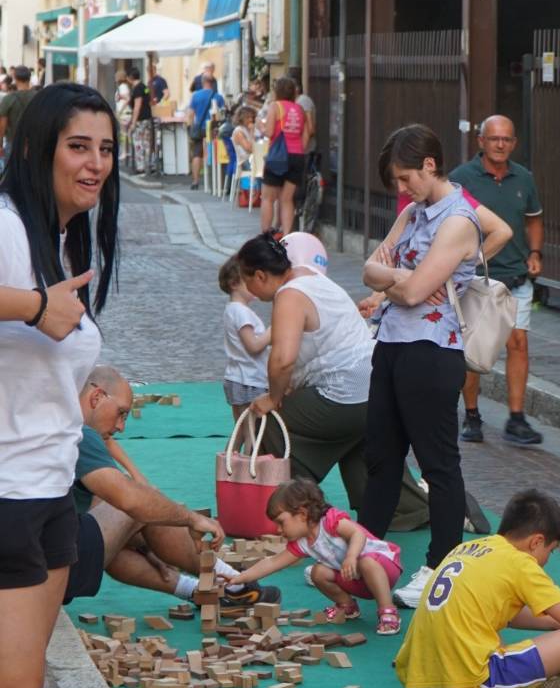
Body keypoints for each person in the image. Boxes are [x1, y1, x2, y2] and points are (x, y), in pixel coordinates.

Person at [0, 81, 119, 688]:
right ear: (41, 147)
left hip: (47, 491)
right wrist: (34, 306)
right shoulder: (8, 223)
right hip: (3, 490)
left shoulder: (70, 239)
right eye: (80, 146)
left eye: (107, 149)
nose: (96, 164)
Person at [360, 124, 482, 609]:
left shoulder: (459, 220)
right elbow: (370, 269)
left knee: (438, 463)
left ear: (430, 166)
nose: (401, 188)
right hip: (390, 341)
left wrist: (396, 278)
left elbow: (410, 292)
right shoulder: (413, 212)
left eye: (406, 176)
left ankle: (440, 566)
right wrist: (400, 276)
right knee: (382, 458)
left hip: (433, 350)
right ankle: (364, 553)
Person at [238, 233, 429, 535]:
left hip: (346, 393)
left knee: (273, 422)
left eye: (247, 280)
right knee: (356, 439)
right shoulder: (312, 276)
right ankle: (406, 509)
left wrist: (272, 398)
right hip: (375, 389)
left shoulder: (289, 295)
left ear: (260, 275)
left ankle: (300, 512)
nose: (247, 288)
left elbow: (283, 360)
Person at [395, 489, 560, 688]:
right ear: (536, 542)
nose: (547, 560)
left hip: (418, 683)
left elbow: (507, 615)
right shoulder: (521, 563)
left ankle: (521, 680)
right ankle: (527, 687)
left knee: (547, 632)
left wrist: (555, 623)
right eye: (550, 551)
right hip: (470, 686)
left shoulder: (466, 548)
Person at [66, 366, 231, 609]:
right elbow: (131, 500)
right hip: (50, 572)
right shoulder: (78, 432)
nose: (122, 426)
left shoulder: (54, 418)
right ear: (97, 397)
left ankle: (194, 589)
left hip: (31, 559)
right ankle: (234, 581)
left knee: (133, 505)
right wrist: (189, 518)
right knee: (138, 504)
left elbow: (109, 451)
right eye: (121, 413)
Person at [452, 114, 544, 447]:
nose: (501, 145)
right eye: (494, 139)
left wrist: (535, 252)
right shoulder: (461, 180)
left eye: (507, 139)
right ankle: (472, 414)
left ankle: (516, 418)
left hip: (516, 278)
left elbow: (534, 219)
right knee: (476, 349)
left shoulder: (524, 179)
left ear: (514, 143)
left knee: (518, 343)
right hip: (476, 281)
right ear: (481, 141)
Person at [226, 478, 402, 635]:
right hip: (357, 579)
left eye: (281, 522)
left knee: (366, 562)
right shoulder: (302, 542)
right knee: (317, 572)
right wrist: (239, 578)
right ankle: (347, 607)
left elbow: (358, 534)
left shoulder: (331, 521)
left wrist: (351, 556)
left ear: (302, 514)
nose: (278, 530)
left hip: (384, 568)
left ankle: (387, 610)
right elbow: (272, 562)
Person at [218, 255, 270, 420]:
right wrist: (272, 332)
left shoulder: (232, 309)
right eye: (248, 280)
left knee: (241, 430)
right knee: (251, 431)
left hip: (238, 377)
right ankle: (250, 448)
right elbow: (253, 346)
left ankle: (230, 448)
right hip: (250, 380)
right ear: (234, 284)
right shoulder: (241, 312)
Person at [260, 76, 311, 235]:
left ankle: (266, 235)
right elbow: (307, 133)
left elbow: (269, 132)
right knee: (287, 199)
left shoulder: (275, 107)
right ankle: (287, 236)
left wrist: (259, 126)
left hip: (278, 157)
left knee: (268, 198)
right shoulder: (300, 109)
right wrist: (299, 149)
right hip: (297, 156)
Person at [186, 73, 225, 191]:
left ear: (202, 82)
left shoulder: (195, 96)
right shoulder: (218, 97)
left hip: (199, 129)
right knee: (213, 153)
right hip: (213, 129)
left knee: (197, 154)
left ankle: (195, 181)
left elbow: (190, 114)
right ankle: (214, 180)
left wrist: (190, 127)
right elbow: (222, 115)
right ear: (212, 83)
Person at [0, 66, 34, 157]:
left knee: (11, 169)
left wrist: (0, 145)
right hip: (33, 142)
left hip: (12, 142)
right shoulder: (39, 97)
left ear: (15, 78)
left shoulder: (8, 99)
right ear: (29, 78)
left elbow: (2, 125)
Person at [128, 66, 153, 173]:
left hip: (140, 120)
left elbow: (137, 106)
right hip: (147, 118)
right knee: (147, 142)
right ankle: (148, 165)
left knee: (138, 142)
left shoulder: (137, 88)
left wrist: (133, 123)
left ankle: (140, 167)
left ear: (130, 78)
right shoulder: (144, 87)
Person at [288, 65, 316, 151]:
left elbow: (310, 128)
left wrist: (301, 148)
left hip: (303, 149)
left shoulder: (303, 101)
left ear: (296, 88)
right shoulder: (293, 102)